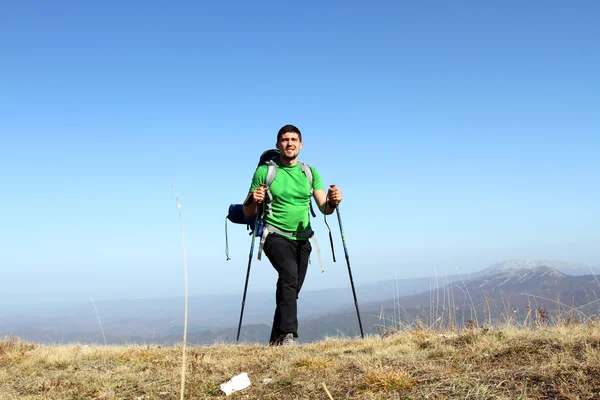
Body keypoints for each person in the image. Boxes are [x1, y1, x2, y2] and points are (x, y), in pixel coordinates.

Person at [242, 124, 342, 346]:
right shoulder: (264, 171)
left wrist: (333, 202)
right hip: (274, 235)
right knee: (289, 276)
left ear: (301, 145)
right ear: (278, 145)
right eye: (285, 140)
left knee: (291, 289)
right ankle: (289, 336)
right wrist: (254, 198)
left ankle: (275, 342)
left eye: (294, 139)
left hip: (302, 239)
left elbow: (324, 207)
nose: (289, 143)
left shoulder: (310, 172)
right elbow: (247, 210)